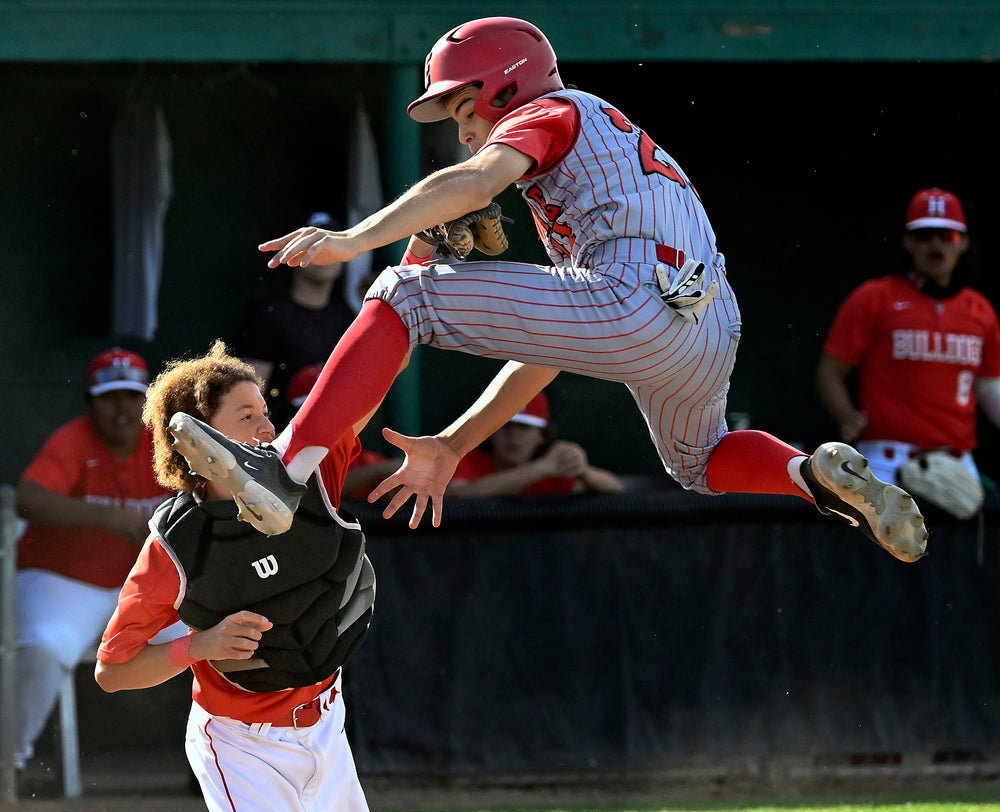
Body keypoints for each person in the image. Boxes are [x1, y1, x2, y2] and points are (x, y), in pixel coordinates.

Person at [238, 17, 922, 562]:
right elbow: (548, 348)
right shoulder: (602, 157)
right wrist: (453, 443)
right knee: (701, 460)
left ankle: (285, 468)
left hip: (633, 295)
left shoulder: (550, 111)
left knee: (404, 289)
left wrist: (355, 240)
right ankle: (811, 478)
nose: (462, 128)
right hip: (708, 324)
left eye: (461, 105)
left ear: (504, 86)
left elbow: (473, 185)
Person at [31, 342, 404, 812]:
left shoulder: (301, 473)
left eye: (266, 411)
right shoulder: (177, 542)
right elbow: (113, 668)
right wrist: (194, 646)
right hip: (242, 746)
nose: (269, 427)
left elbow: (366, 382)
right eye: (246, 416)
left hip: (324, 727)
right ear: (198, 442)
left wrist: (417, 271)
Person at [13, 346, 179, 780]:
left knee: (222, 637)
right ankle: (6, 764)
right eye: (109, 397)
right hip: (67, 580)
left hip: (150, 585)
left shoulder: (168, 442)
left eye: (131, 396)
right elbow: (28, 499)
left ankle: (241, 753)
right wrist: (106, 517)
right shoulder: (73, 440)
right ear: (90, 403)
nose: (121, 408)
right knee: (42, 648)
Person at [816, 187, 1000, 510]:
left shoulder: (981, 310)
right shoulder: (874, 298)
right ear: (908, 241)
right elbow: (830, 370)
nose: (936, 244)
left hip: (956, 465)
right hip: (886, 460)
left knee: (963, 558)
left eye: (948, 236)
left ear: (964, 242)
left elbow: (988, 386)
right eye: (925, 234)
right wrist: (845, 415)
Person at [232, 211, 357, 429]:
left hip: (336, 436)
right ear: (291, 252)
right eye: (312, 244)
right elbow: (248, 398)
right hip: (277, 440)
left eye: (331, 242)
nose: (323, 251)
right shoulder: (268, 314)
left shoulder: (348, 316)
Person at [447, 391, 623, 496]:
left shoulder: (552, 468)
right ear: (489, 432)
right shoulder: (467, 460)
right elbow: (458, 495)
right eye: (504, 426)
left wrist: (583, 471)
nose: (513, 435)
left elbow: (615, 489)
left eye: (524, 427)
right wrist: (541, 468)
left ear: (541, 436)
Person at [286, 363, 403, 501]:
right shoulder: (289, 452)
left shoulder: (365, 457)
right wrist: (379, 470)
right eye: (321, 409)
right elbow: (319, 488)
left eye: (339, 407)